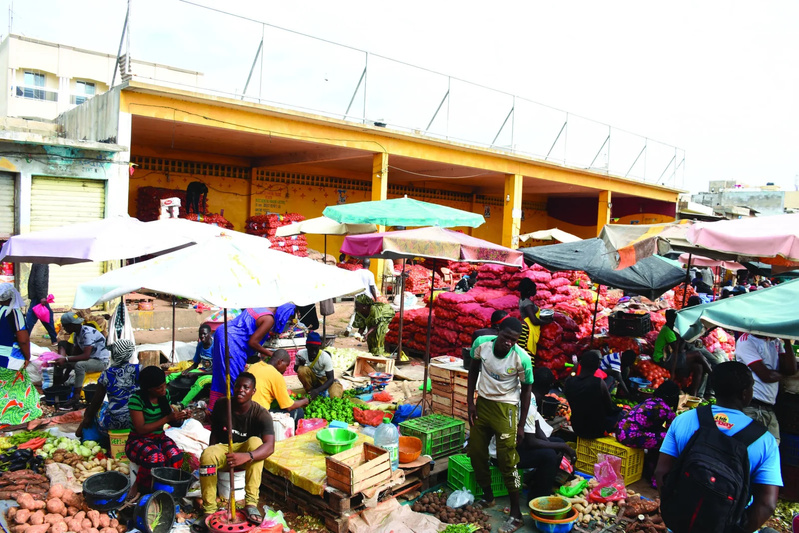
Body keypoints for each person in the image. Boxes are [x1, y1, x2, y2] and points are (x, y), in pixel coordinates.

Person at [655, 362, 781, 533]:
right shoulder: (765, 441)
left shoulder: (684, 420)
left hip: (682, 523)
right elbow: (767, 504)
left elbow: (661, 473)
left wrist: (675, 518)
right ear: (745, 393)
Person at [468, 317, 532, 533]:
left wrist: (521, 425)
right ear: (498, 332)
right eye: (506, 337)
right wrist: (470, 402)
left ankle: (515, 513)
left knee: (507, 460)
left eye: (513, 340)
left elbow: (526, 391)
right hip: (484, 404)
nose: (508, 343)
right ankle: (488, 496)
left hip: (506, 410)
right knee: (476, 451)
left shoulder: (522, 358)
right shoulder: (481, 344)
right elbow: (473, 370)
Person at [199, 372, 275, 527]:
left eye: (246, 387)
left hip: (247, 452)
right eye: (238, 386)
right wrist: (211, 456)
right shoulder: (222, 405)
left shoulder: (261, 414)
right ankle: (209, 510)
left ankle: (251, 504)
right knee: (208, 454)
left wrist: (247, 456)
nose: (241, 390)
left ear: (253, 391)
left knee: (256, 442)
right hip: (225, 449)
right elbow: (214, 432)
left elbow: (270, 446)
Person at [209, 305, 296, 409]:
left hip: (223, 332)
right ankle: (235, 412)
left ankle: (216, 408)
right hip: (232, 341)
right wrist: (271, 354)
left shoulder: (260, 307)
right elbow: (252, 342)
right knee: (235, 380)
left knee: (221, 374)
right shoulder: (269, 319)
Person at [126, 366, 189, 493]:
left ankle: (167, 488)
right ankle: (141, 489)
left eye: (164, 385)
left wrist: (181, 417)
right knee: (156, 458)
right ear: (149, 389)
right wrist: (167, 418)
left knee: (176, 456)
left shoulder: (164, 397)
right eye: (159, 388)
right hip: (137, 440)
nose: (163, 390)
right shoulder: (136, 400)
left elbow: (173, 422)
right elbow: (141, 429)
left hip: (158, 438)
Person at [735, 333, 796, 443]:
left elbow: (791, 370)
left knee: (772, 448)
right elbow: (767, 376)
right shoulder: (746, 341)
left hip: (769, 409)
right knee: (748, 447)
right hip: (752, 407)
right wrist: (781, 374)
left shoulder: (775, 341)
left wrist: (787, 341)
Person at [615, 380, 680, 481]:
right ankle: (655, 477)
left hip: (620, 432)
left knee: (658, 435)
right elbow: (673, 431)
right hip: (630, 437)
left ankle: (649, 467)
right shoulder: (665, 409)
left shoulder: (650, 400)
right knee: (666, 439)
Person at [517, 394, 576, 502]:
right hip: (508, 450)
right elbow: (531, 441)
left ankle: (539, 483)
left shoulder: (531, 396)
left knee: (557, 443)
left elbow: (537, 429)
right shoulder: (520, 399)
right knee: (549, 456)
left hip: (523, 444)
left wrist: (556, 445)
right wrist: (561, 447)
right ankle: (537, 498)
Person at [77, 339, 138, 440]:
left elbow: (97, 400)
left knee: (97, 409)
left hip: (114, 423)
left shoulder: (107, 374)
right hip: (138, 420)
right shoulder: (140, 370)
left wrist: (87, 418)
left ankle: (88, 435)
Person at [0, 283, 42, 425]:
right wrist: (27, 357)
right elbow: (23, 340)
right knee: (22, 389)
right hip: (9, 359)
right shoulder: (13, 312)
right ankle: (19, 417)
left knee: (4, 389)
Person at [53, 311, 111, 407]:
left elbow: (86, 356)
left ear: (72, 325)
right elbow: (75, 354)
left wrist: (66, 359)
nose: (64, 328)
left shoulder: (87, 333)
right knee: (61, 363)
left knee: (80, 365)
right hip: (90, 360)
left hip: (100, 361)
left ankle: (76, 396)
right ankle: (57, 388)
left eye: (65, 326)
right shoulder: (77, 334)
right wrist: (65, 365)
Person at [652, 309, 711, 396]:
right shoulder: (667, 330)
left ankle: (694, 394)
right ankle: (712, 374)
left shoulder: (673, 328)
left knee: (698, 367)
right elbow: (678, 349)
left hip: (672, 356)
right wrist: (684, 335)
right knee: (697, 354)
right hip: (663, 359)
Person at [564, 350, 622, 439]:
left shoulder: (568, 382)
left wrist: (574, 369)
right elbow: (610, 408)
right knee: (622, 414)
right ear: (598, 366)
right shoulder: (599, 383)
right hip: (596, 430)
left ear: (580, 364)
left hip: (577, 427)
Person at [249, 349, 308, 422]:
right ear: (280, 362)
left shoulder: (255, 365)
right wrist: (305, 401)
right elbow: (289, 406)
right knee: (298, 412)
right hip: (258, 416)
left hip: (245, 410)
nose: (286, 369)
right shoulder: (276, 375)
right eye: (286, 365)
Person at [294, 332, 342, 399]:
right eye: (311, 349)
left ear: (319, 347)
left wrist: (318, 390)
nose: (313, 352)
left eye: (316, 349)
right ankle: (310, 392)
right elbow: (296, 369)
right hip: (314, 380)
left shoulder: (325, 357)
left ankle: (317, 391)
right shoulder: (300, 354)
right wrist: (300, 364)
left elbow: (330, 378)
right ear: (306, 346)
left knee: (335, 397)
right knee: (302, 369)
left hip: (325, 380)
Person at [516, 278, 552, 361]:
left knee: (521, 354)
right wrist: (547, 321)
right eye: (534, 289)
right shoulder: (527, 303)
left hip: (525, 327)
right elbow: (534, 320)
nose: (535, 291)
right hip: (527, 330)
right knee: (526, 356)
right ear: (529, 291)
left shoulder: (523, 300)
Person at [24, 264, 57, 345]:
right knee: (35, 319)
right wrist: (42, 296)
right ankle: (23, 339)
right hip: (39, 297)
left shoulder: (38, 261)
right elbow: (39, 280)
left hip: (37, 296)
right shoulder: (42, 263)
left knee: (44, 317)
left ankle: (54, 339)